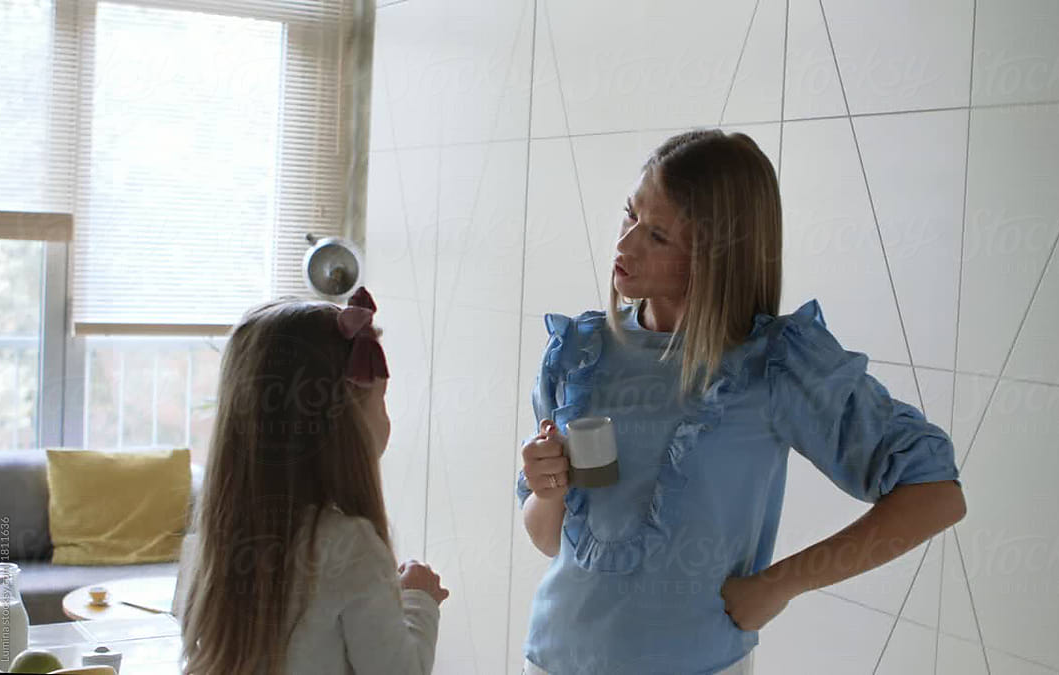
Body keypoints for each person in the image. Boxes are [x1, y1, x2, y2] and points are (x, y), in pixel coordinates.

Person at [516, 129, 967, 673]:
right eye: (628, 214)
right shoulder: (577, 354)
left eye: (657, 235)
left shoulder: (772, 365)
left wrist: (779, 585)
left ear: (715, 255)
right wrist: (545, 491)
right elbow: (548, 541)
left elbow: (936, 493)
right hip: (552, 658)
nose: (625, 244)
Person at [176, 287, 449, 675]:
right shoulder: (348, 546)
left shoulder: (213, 541)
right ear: (345, 421)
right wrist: (419, 599)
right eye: (380, 399)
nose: (387, 417)